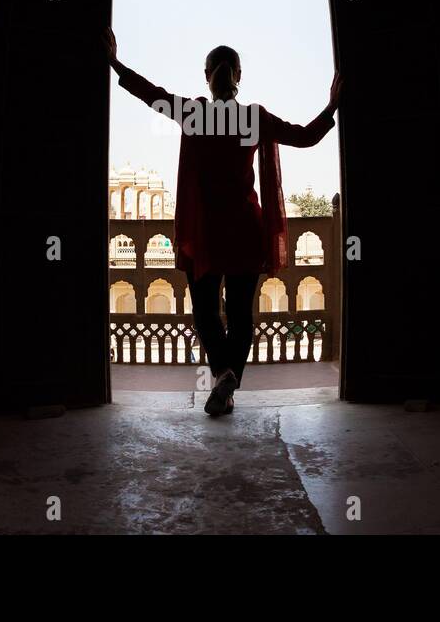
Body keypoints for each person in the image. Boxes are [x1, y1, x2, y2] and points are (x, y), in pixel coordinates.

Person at [105, 28, 341, 416]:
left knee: (205, 313)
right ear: (239, 75)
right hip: (246, 230)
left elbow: (152, 94)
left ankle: (222, 376)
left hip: (207, 232)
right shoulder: (253, 117)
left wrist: (115, 63)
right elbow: (305, 136)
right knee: (241, 313)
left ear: (207, 75)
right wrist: (332, 105)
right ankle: (227, 387)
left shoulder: (195, 114)